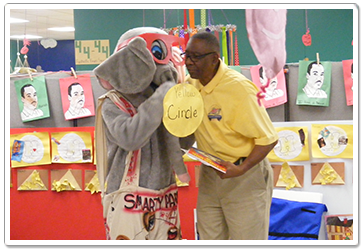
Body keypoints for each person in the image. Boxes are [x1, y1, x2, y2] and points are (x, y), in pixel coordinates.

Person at [183, 32, 278, 240]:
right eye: (186, 55)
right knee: (210, 238)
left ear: (214, 58)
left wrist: (241, 168)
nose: (189, 62)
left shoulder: (239, 88)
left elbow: (269, 139)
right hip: (211, 172)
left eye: (196, 57)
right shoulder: (190, 85)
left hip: (244, 173)